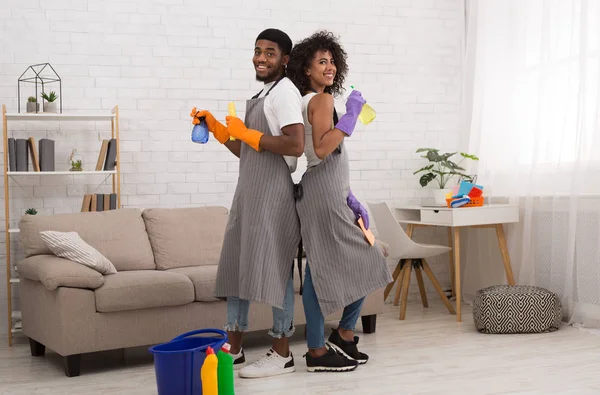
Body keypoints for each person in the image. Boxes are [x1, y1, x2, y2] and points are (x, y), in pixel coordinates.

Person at [191, 28, 304, 379]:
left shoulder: (284, 92)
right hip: (249, 189)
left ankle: (282, 351)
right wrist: (221, 132)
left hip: (271, 193)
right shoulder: (264, 92)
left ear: (284, 59)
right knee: (237, 265)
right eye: (257, 50)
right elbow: (250, 151)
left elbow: (295, 144)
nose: (260, 57)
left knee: (274, 268)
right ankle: (233, 348)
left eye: (270, 52)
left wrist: (249, 134)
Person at [287, 30, 393, 372]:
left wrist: (347, 194)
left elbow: (318, 157)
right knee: (362, 258)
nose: (329, 67)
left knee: (359, 259)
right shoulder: (320, 100)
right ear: (306, 69)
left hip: (327, 191)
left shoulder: (311, 100)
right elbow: (320, 148)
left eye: (332, 61)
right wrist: (351, 115)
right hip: (322, 195)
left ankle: (340, 337)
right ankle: (322, 347)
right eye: (321, 62)